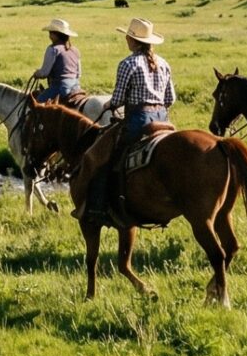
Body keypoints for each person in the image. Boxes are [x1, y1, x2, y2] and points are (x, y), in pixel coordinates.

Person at [83, 17, 174, 222]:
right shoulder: (163, 63)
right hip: (162, 118)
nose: (126, 38)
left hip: (138, 119)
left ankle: (98, 208)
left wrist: (109, 105)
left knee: (106, 156)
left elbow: (118, 99)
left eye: (128, 35)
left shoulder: (128, 63)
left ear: (133, 40)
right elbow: (171, 99)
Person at [30, 19, 82, 104]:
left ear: (55, 35)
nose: (49, 35)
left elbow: (44, 73)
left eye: (50, 32)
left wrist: (36, 73)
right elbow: (79, 73)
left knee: (37, 103)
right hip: (76, 86)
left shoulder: (53, 49)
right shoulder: (75, 50)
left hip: (60, 87)